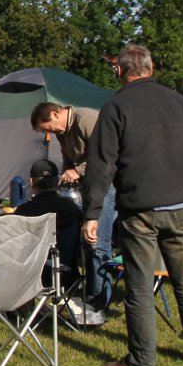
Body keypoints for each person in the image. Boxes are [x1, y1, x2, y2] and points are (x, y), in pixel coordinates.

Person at [81, 44, 183, 366]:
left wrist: (92, 213)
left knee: (140, 287)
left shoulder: (116, 106)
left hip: (140, 207)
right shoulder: (181, 103)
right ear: (151, 67)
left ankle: (143, 361)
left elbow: (101, 165)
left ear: (121, 70)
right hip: (182, 205)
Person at [31, 99, 116, 321]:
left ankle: (102, 300)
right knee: (86, 242)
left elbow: (105, 153)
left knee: (97, 242)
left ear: (56, 113)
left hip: (107, 185)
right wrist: (68, 170)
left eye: (48, 127)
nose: (50, 133)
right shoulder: (62, 131)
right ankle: (92, 293)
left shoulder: (86, 119)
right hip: (89, 187)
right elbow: (69, 157)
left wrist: (78, 170)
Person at [12, 158, 85, 302]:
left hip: (33, 277)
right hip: (67, 275)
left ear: (31, 182)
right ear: (57, 181)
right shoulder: (72, 208)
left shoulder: (24, 211)